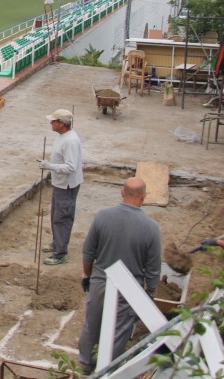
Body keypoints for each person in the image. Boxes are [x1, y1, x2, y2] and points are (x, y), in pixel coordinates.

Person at [77, 177, 162, 375]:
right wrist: (150, 291)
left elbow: (88, 252)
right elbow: (153, 267)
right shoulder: (151, 227)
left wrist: (86, 276)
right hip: (129, 289)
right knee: (120, 330)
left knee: (92, 322)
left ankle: (85, 363)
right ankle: (109, 370)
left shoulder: (102, 217)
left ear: (122, 192)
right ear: (144, 197)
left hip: (100, 282)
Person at [39, 109, 83, 265]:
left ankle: (60, 253)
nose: (51, 123)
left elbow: (71, 167)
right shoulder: (62, 136)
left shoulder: (70, 141)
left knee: (62, 218)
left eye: (54, 121)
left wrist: (50, 166)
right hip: (60, 183)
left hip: (67, 185)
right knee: (55, 215)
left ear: (62, 124)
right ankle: (57, 243)